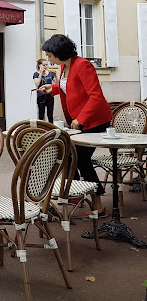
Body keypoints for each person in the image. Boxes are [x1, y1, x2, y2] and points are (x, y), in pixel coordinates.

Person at [39, 34, 111, 218]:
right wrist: (52, 89)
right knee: (68, 155)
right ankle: (75, 193)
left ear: (60, 53)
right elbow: (67, 87)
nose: (49, 59)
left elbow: (96, 96)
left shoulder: (83, 65)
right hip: (78, 120)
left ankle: (98, 206)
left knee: (81, 159)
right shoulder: (64, 66)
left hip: (94, 120)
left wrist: (81, 119)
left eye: (50, 55)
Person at [33, 58, 58, 123]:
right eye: (44, 65)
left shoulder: (50, 73)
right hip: (41, 96)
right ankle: (41, 129)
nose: (46, 67)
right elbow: (37, 84)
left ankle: (51, 129)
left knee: (50, 114)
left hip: (50, 95)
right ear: (39, 65)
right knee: (41, 115)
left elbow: (57, 84)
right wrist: (40, 73)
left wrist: (56, 76)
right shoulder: (36, 74)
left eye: (46, 65)